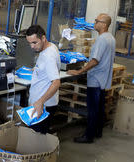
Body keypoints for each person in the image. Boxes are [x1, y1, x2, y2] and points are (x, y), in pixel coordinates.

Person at [68, 14, 116, 144]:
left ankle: (88, 136)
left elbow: (95, 60)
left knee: (92, 110)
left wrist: (80, 71)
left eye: (97, 21)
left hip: (95, 79)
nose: (94, 23)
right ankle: (97, 132)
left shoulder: (101, 40)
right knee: (100, 108)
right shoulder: (111, 38)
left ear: (104, 25)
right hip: (104, 79)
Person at [25, 25, 60, 134]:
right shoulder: (51, 47)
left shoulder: (48, 56)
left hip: (43, 106)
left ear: (43, 38)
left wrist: (40, 102)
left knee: (37, 141)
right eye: (29, 43)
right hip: (44, 104)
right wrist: (37, 70)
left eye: (34, 42)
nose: (32, 46)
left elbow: (56, 82)